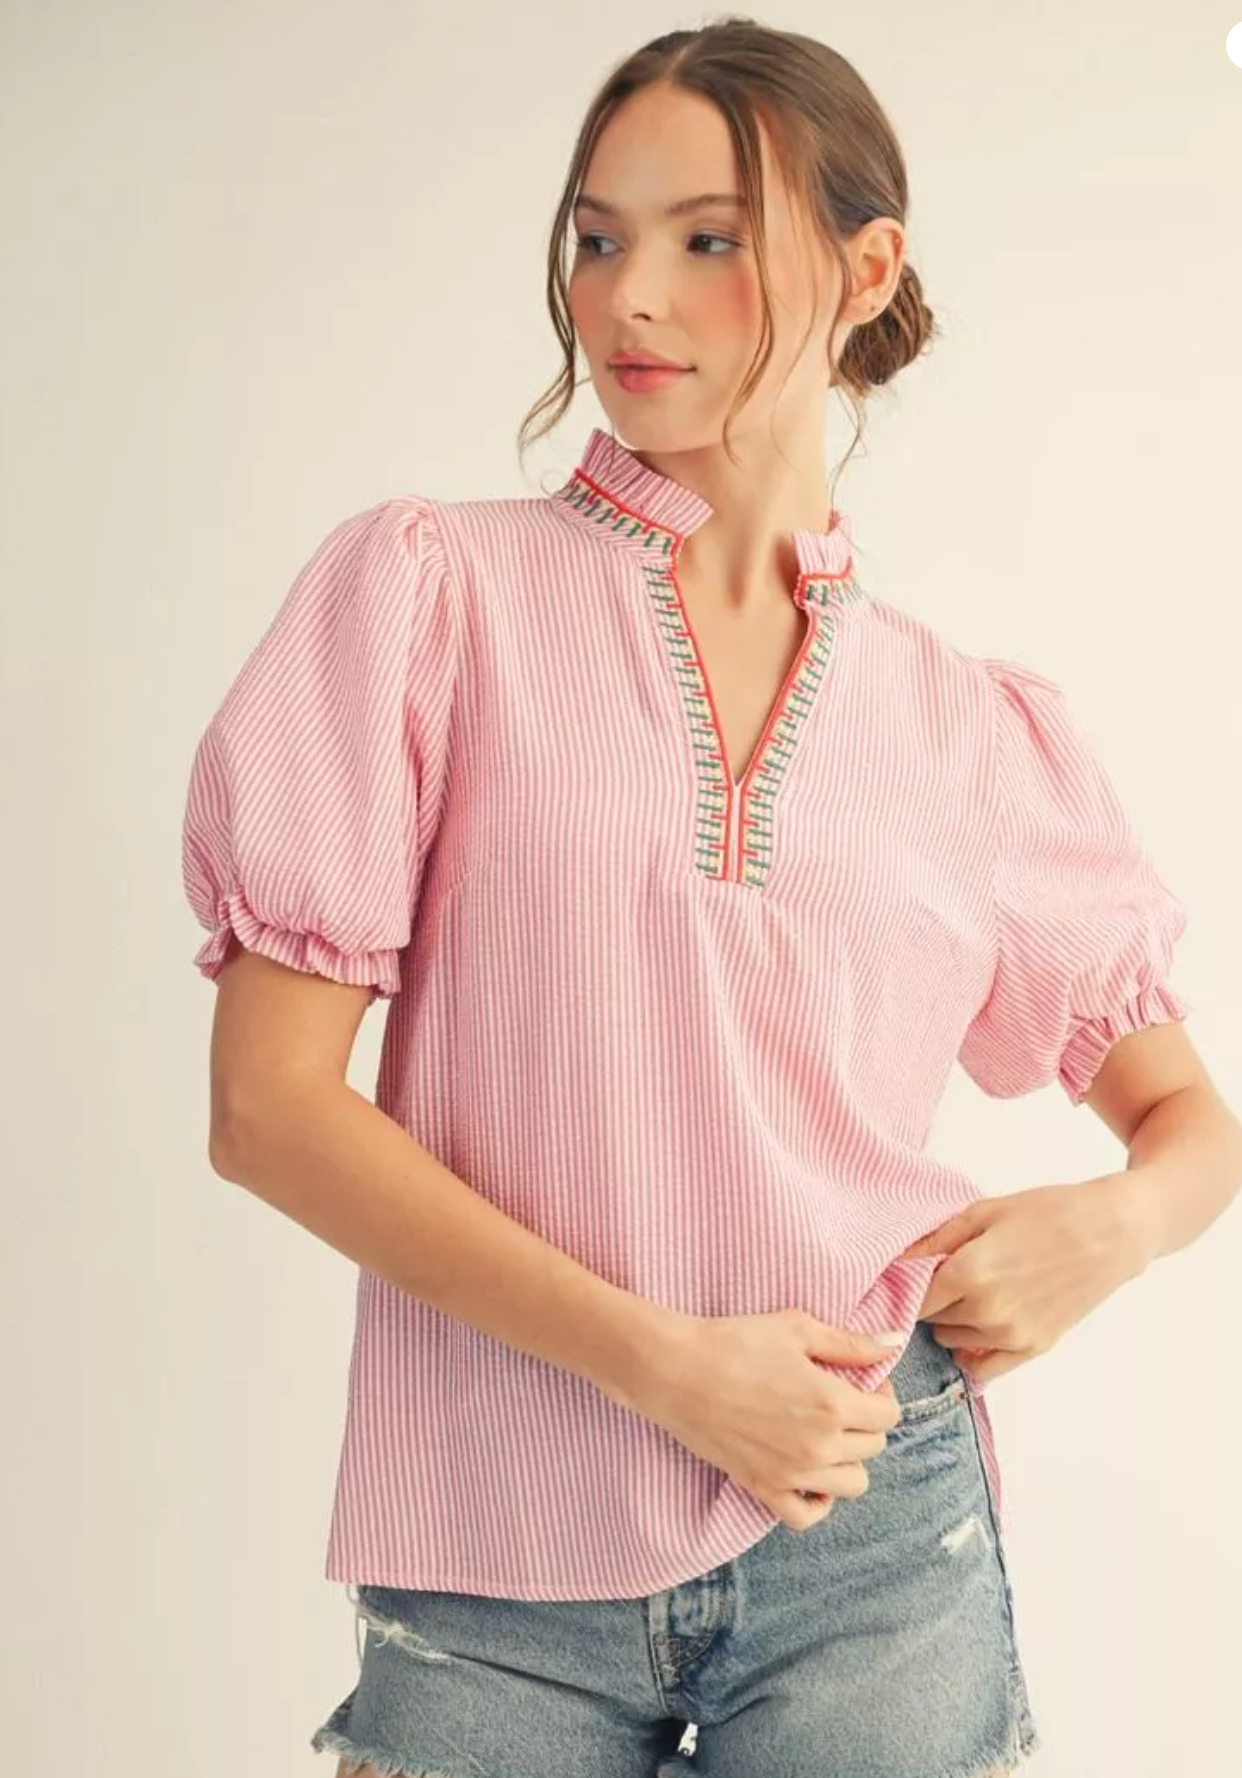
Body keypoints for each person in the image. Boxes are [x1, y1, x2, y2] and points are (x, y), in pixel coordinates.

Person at [181, 20, 1203, 1778]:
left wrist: (1112, 1226)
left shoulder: (966, 724)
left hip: (871, 1530)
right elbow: (264, 1110)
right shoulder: (433, 596)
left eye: (707, 238)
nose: (628, 298)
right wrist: (661, 1363)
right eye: (598, 237)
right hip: (495, 1547)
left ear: (863, 271)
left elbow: (1187, 1121)